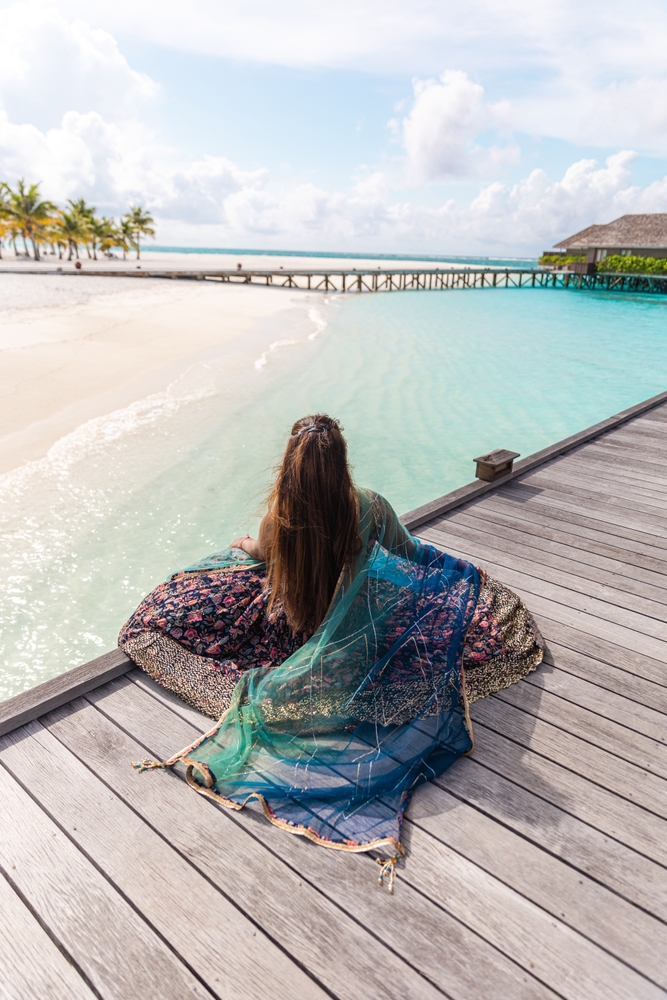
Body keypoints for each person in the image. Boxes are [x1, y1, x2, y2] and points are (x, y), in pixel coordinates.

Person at [121, 414, 543, 888]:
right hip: (356, 639)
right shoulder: (369, 508)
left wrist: (242, 544)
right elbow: (409, 554)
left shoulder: (278, 517)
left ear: (289, 467)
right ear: (342, 463)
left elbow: (259, 551)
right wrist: (453, 570)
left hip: (298, 630)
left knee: (188, 607)